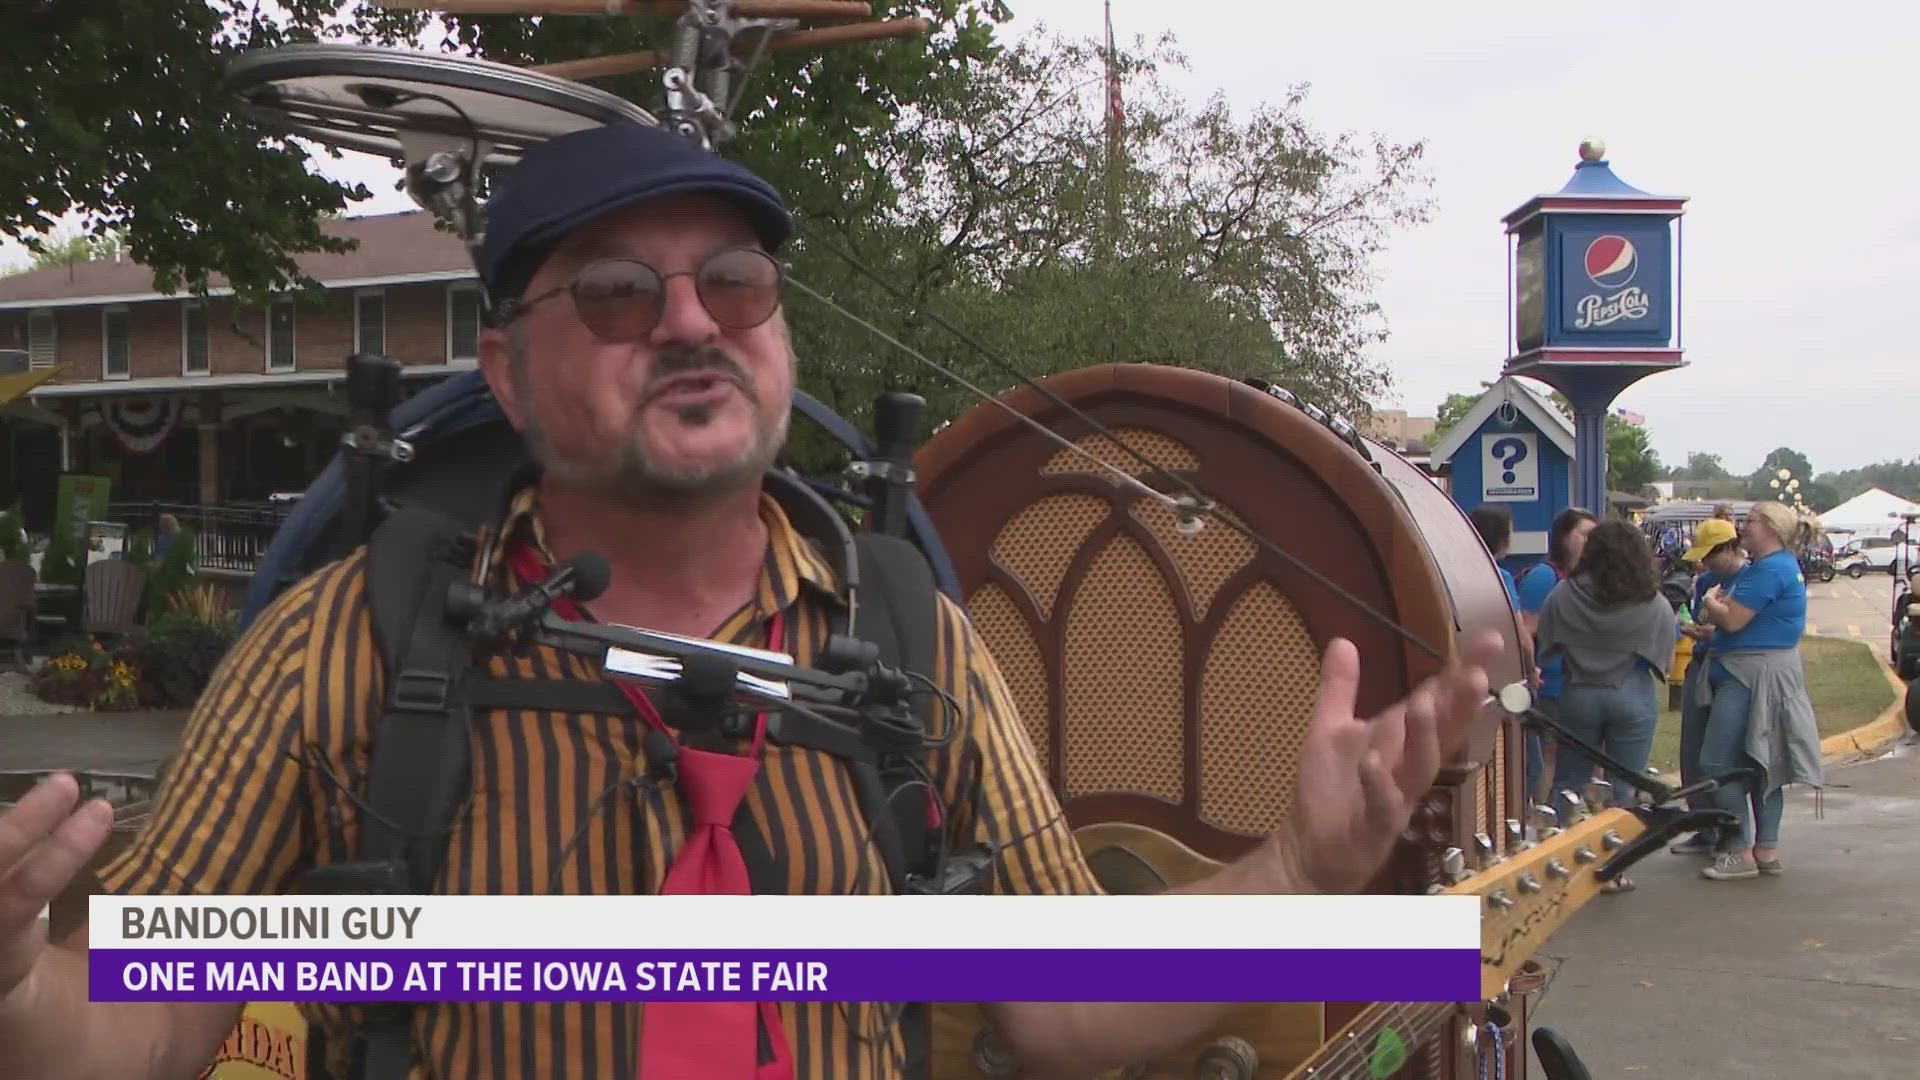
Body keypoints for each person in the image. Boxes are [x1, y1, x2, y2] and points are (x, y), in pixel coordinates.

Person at [0, 122, 1498, 1080]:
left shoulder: (913, 639)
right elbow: (126, 1035)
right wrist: (13, 987)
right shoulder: (346, 645)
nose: (690, 322)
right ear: (511, 370)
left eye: (735, 283)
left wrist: (1298, 873)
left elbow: (1059, 1008)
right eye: (613, 294)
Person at [1532, 522, 1677, 892]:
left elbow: (1546, 643)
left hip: (1578, 692)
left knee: (1569, 781)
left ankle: (1564, 867)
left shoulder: (1564, 595)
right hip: (1631, 692)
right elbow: (1666, 659)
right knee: (1623, 786)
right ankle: (1612, 869)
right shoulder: (1652, 601)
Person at [1691, 500, 1823, 881]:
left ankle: (1740, 849)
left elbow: (1732, 620)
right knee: (1763, 764)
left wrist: (1712, 604)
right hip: (1767, 670)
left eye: (1748, 522)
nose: (1741, 529)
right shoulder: (1778, 568)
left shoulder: (1768, 571)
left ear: (1768, 527)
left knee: (1716, 763)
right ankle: (1766, 849)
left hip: (1750, 676)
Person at [1668, 517, 1743, 856]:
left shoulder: (1748, 580)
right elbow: (1700, 619)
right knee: (1692, 750)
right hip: (1701, 661)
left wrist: (1718, 627)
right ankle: (1702, 825)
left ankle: (1730, 830)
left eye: (1712, 554)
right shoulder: (1707, 580)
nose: (1707, 562)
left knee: (1722, 754)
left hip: (1731, 668)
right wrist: (1693, 628)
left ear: (1729, 548)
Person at [1515, 507, 1598, 802]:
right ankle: (1543, 820)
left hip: (1579, 688)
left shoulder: (1587, 581)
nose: (1590, 542)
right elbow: (1524, 630)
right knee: (1550, 758)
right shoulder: (1544, 578)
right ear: (1564, 538)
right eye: (1584, 535)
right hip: (1549, 686)